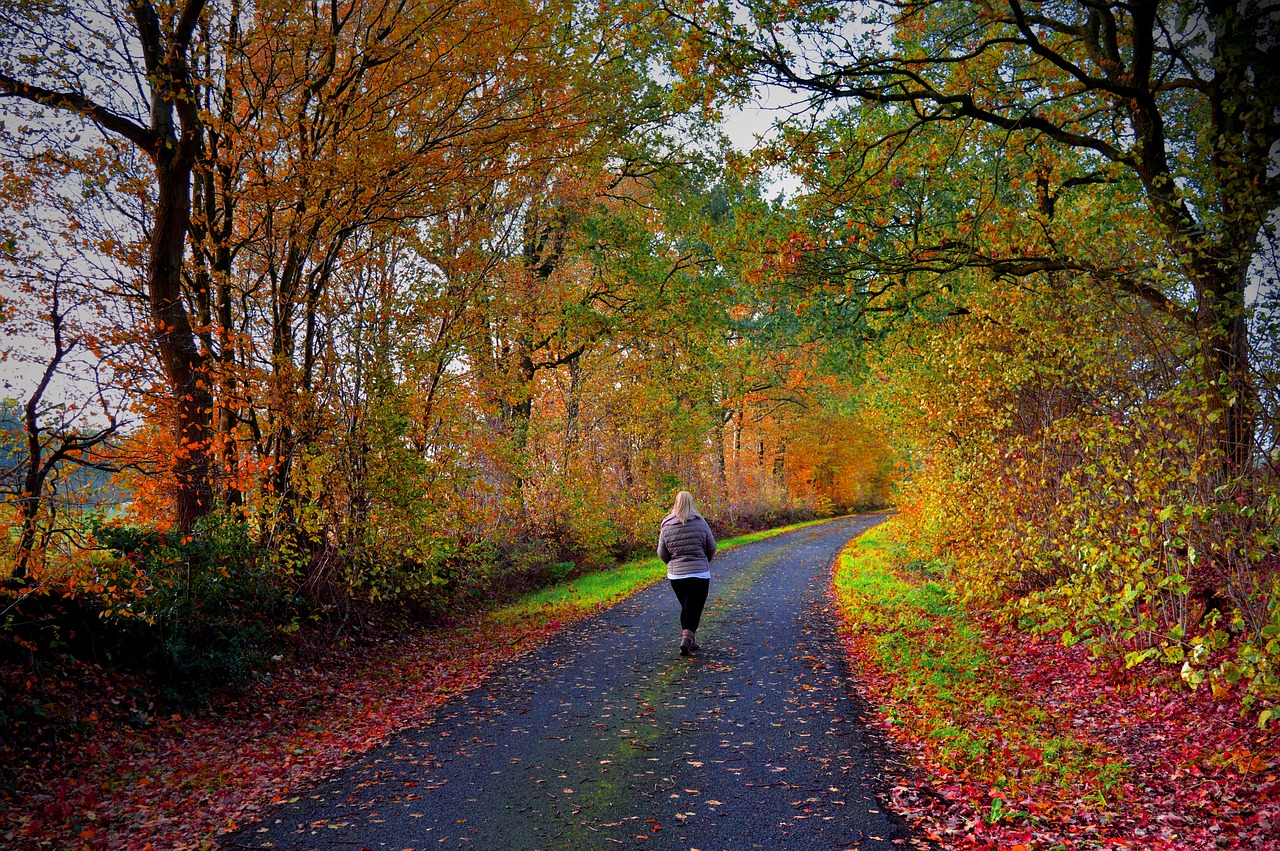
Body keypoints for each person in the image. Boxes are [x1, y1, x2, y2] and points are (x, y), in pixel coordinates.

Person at [657, 490, 717, 656]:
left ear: (676, 503)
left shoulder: (666, 525)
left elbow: (662, 553)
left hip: (677, 576)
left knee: (687, 606)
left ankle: (691, 640)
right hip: (699, 573)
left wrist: (672, 564)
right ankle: (686, 637)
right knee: (694, 607)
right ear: (692, 503)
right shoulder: (700, 523)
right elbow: (711, 547)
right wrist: (704, 561)